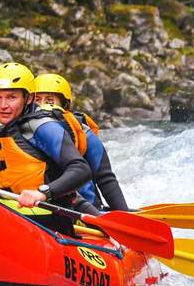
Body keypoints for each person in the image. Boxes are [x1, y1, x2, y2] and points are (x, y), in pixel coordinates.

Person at [0, 62, 92, 234]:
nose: (3, 105)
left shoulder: (43, 127)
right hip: (10, 217)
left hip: (49, 223)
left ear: (29, 98)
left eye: (12, 97)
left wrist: (43, 193)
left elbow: (81, 169)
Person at [32, 73, 131, 212]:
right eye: (37, 100)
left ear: (64, 104)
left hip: (87, 211)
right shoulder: (23, 131)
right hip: (38, 209)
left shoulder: (82, 132)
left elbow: (105, 178)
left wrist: (123, 214)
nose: (43, 106)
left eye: (49, 100)